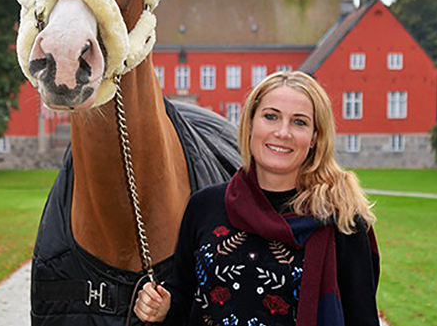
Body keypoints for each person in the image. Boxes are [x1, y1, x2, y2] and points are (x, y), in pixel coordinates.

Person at [134, 71, 380, 326]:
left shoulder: (340, 221)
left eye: (299, 122)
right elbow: (182, 299)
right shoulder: (204, 206)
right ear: (250, 124)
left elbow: (361, 319)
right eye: (271, 117)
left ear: (315, 138)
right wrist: (162, 307)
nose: (283, 132)